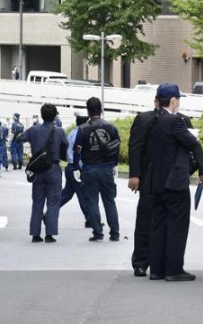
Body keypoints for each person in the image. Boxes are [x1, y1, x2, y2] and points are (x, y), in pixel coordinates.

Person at [145, 84, 203, 282]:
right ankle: (173, 269)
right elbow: (192, 143)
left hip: (156, 181)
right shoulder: (174, 121)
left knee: (158, 225)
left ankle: (156, 269)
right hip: (174, 181)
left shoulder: (152, 120)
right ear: (173, 101)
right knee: (177, 225)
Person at [74, 97, 121, 242]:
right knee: (110, 202)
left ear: (88, 111)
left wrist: (77, 167)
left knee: (92, 202)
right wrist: (114, 164)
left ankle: (98, 233)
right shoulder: (111, 127)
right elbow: (117, 148)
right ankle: (114, 233)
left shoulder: (82, 130)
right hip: (107, 169)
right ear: (101, 110)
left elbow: (77, 151)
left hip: (90, 170)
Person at [25, 103, 68, 243]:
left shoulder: (33, 129)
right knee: (53, 202)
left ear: (42, 115)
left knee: (37, 202)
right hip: (54, 169)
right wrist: (63, 166)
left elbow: (20, 138)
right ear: (55, 115)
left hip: (38, 170)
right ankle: (50, 234)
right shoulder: (60, 131)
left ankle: (35, 234)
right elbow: (64, 151)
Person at [127, 96, 159, 277]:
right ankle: (140, 261)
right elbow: (135, 148)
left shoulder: (181, 120)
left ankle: (160, 261)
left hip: (169, 180)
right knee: (145, 220)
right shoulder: (144, 119)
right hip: (147, 179)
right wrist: (134, 175)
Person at [59, 111, 92, 227]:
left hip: (69, 167)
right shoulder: (84, 133)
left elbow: (65, 152)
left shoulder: (71, 133)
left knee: (67, 193)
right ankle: (90, 219)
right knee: (83, 194)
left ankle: (49, 213)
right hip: (77, 169)